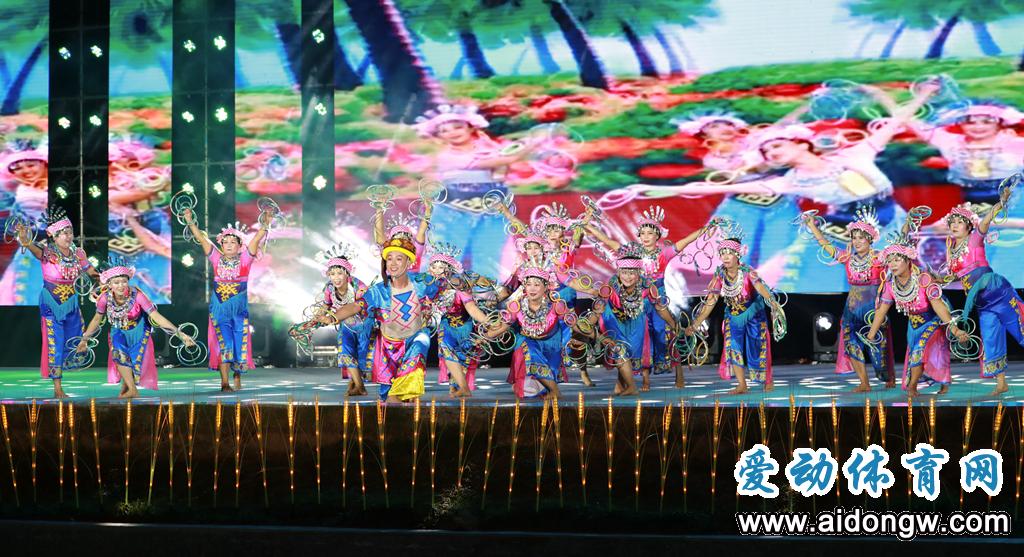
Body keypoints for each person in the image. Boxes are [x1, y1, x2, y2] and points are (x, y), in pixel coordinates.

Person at [587, 206, 714, 387]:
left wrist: (706, 229)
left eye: (650, 233)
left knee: (664, 333)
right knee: (639, 336)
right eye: (642, 233)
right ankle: (643, 379)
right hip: (637, 300)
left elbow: (686, 241)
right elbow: (608, 241)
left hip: (658, 299)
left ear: (658, 235)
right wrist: (587, 226)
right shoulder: (633, 252)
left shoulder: (664, 253)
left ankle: (678, 374)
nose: (645, 237)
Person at [415, 103, 536, 279]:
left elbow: (499, 174)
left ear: (471, 127)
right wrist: (532, 144)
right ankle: (433, 291)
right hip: (452, 209)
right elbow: (502, 160)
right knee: (444, 253)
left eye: (458, 127)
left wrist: (504, 165)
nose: (452, 132)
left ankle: (487, 292)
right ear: (439, 136)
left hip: (490, 208)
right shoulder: (447, 156)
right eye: (444, 131)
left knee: (489, 254)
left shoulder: (488, 151)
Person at [325, 237, 441, 402]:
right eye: (389, 259)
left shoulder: (422, 282)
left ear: (409, 262)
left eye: (399, 259)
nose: (392, 263)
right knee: (390, 401)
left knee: (421, 343)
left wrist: (458, 282)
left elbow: (448, 286)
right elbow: (356, 306)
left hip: (414, 339)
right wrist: (333, 317)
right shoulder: (378, 291)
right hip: (388, 348)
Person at [803, 207, 896, 391]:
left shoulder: (880, 258)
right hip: (851, 310)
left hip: (874, 310)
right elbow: (826, 245)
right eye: (854, 238)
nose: (857, 242)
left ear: (870, 239)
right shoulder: (847, 258)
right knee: (851, 344)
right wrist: (812, 226)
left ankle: (886, 375)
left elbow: (900, 256)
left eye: (861, 238)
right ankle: (864, 383)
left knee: (879, 350)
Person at [939, 194, 1024, 396]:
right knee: (991, 339)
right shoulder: (951, 248)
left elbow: (985, 221)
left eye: (960, 222)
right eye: (952, 222)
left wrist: (1000, 203)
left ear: (969, 226)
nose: (955, 225)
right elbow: (954, 276)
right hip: (982, 302)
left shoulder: (975, 239)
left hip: (998, 293)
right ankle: (1001, 383)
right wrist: (937, 279)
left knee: (1021, 330)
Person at [865, 234, 967, 397]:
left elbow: (938, 305)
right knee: (921, 354)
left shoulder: (923, 279)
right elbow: (881, 311)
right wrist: (871, 334)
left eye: (897, 260)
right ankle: (938, 382)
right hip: (913, 325)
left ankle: (913, 386)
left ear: (907, 261)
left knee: (922, 352)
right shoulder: (890, 285)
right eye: (889, 261)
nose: (892, 264)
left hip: (933, 320)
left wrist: (953, 329)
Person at [14, 206, 99, 398]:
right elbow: (30, 246)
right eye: (64, 233)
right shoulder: (47, 252)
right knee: (56, 344)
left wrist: (104, 279)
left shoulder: (78, 253)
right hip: (51, 305)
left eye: (70, 232)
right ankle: (57, 387)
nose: (69, 236)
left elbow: (91, 271)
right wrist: (25, 238)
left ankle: (66, 369)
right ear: (54, 236)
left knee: (76, 340)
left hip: (71, 304)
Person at [78, 259, 195, 398]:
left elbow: (156, 316)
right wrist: (84, 340)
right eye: (116, 282)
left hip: (138, 330)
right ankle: (133, 390)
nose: (121, 286)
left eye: (124, 281)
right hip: (118, 330)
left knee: (135, 362)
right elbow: (96, 319)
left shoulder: (138, 296)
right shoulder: (104, 298)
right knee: (119, 355)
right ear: (109, 284)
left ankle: (127, 386)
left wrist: (180, 334)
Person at [574, 243, 679, 394]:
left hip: (636, 321)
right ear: (618, 272)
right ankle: (632, 387)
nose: (628, 277)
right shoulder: (611, 285)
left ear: (639, 273)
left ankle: (621, 384)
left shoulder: (647, 285)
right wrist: (586, 325)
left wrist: (673, 324)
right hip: (615, 321)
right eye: (624, 273)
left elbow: (660, 309)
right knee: (619, 349)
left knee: (630, 354)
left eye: (632, 273)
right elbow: (598, 309)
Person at [183, 208, 269, 391]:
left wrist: (265, 224)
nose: (229, 245)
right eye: (225, 242)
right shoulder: (216, 258)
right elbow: (202, 239)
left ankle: (237, 374)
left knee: (238, 345)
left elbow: (256, 239)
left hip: (239, 311)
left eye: (233, 242)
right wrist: (190, 221)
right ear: (221, 244)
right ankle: (224, 382)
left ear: (240, 245)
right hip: (220, 310)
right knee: (226, 344)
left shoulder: (246, 259)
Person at [685, 235, 784, 394]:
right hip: (733, 314)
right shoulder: (720, 275)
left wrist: (773, 304)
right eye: (722, 253)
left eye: (729, 253)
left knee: (758, 348)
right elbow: (711, 301)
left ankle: (767, 379)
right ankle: (741, 384)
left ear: (737, 255)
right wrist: (695, 324)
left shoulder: (748, 272)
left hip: (754, 314)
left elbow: (760, 288)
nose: (725, 257)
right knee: (733, 347)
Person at [482, 256, 581, 399]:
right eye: (528, 284)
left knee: (534, 391)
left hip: (551, 347)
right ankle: (555, 392)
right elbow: (503, 326)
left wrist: (595, 335)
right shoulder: (517, 305)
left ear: (546, 287)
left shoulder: (556, 305)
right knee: (529, 351)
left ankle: (548, 387)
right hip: (529, 342)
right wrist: (483, 337)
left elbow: (575, 325)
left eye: (537, 284)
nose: (532, 288)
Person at [427, 241, 499, 397]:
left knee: (462, 357)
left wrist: (489, 322)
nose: (437, 271)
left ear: (449, 269)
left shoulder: (459, 287)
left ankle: (459, 387)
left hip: (464, 327)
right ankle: (462, 388)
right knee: (447, 352)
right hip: (446, 325)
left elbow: (472, 309)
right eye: (434, 267)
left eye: (441, 267)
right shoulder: (429, 287)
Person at [302, 243, 371, 396]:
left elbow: (366, 307)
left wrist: (333, 318)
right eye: (332, 274)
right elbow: (326, 305)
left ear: (347, 273)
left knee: (361, 355)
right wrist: (314, 320)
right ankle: (360, 387)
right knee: (345, 352)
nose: (336, 278)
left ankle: (355, 384)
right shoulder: (329, 288)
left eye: (340, 273)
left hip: (364, 324)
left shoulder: (359, 286)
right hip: (345, 325)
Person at [374, 202, 431, 272]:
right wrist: (380, 207)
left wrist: (428, 209)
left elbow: (422, 230)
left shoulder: (415, 251)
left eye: (405, 237)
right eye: (398, 237)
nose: (402, 241)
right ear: (391, 241)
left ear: (410, 241)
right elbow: (379, 231)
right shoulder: (388, 250)